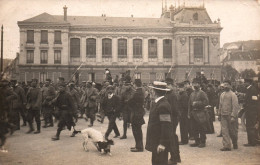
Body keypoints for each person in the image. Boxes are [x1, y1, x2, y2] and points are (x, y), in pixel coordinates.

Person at [146, 81, 175, 165]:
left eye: (152, 91)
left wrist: (162, 143)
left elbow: (166, 126)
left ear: (155, 92)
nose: (150, 93)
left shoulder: (163, 105)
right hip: (156, 141)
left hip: (160, 142)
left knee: (160, 162)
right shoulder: (158, 103)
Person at [218, 81, 239, 151]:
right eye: (224, 84)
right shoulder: (222, 94)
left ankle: (235, 142)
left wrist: (233, 116)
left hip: (230, 115)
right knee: (224, 131)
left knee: (233, 131)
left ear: (230, 86)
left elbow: (235, 106)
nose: (225, 86)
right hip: (223, 115)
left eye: (227, 85)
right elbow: (220, 105)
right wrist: (219, 114)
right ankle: (227, 146)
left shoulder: (233, 95)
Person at [188, 80, 209, 148]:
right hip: (193, 113)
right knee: (194, 128)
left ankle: (203, 142)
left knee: (202, 128)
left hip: (201, 113)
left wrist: (197, 103)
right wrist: (189, 113)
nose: (195, 85)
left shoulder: (202, 93)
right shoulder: (192, 94)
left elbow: (206, 102)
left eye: (196, 83)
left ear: (199, 84)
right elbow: (189, 104)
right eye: (194, 83)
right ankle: (197, 141)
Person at [165, 78, 181, 165]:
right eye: (166, 84)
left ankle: (173, 158)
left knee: (171, 138)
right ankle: (177, 157)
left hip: (172, 119)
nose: (167, 86)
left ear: (172, 85)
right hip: (171, 119)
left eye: (168, 84)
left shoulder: (172, 95)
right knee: (173, 138)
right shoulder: (168, 94)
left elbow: (174, 109)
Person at [129, 79, 145, 152]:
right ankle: (138, 146)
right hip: (138, 112)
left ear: (135, 84)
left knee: (136, 131)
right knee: (137, 130)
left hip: (136, 113)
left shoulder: (137, 93)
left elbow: (131, 101)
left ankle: (139, 147)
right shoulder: (140, 91)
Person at [243, 78, 259, 147]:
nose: (244, 84)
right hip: (249, 111)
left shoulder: (253, 90)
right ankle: (251, 141)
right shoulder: (249, 89)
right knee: (249, 126)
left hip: (251, 112)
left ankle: (252, 142)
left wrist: (249, 107)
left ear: (248, 83)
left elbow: (255, 102)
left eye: (245, 82)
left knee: (251, 126)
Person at [119, 75, 135, 139]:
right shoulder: (123, 92)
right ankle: (124, 134)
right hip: (125, 109)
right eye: (126, 85)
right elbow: (121, 101)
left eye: (128, 85)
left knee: (133, 122)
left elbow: (135, 100)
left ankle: (135, 134)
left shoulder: (134, 92)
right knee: (125, 121)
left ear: (130, 85)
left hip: (132, 109)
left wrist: (130, 101)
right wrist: (120, 110)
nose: (127, 86)